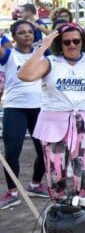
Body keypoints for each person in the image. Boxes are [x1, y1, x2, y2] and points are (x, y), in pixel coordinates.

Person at [18, 23, 85, 200]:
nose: (72, 45)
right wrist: (43, 47)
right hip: (53, 124)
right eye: (66, 42)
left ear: (82, 42)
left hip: (83, 124)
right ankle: (60, 210)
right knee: (56, 174)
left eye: (76, 41)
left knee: (84, 173)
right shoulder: (50, 62)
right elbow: (25, 75)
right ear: (59, 44)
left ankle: (83, 212)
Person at [0, 21, 49, 209]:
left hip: (39, 108)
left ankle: (36, 184)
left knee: (44, 150)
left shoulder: (42, 54)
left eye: (30, 32)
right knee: (12, 151)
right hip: (15, 108)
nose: (27, 35)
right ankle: (12, 192)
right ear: (14, 37)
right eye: (22, 33)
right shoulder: (9, 55)